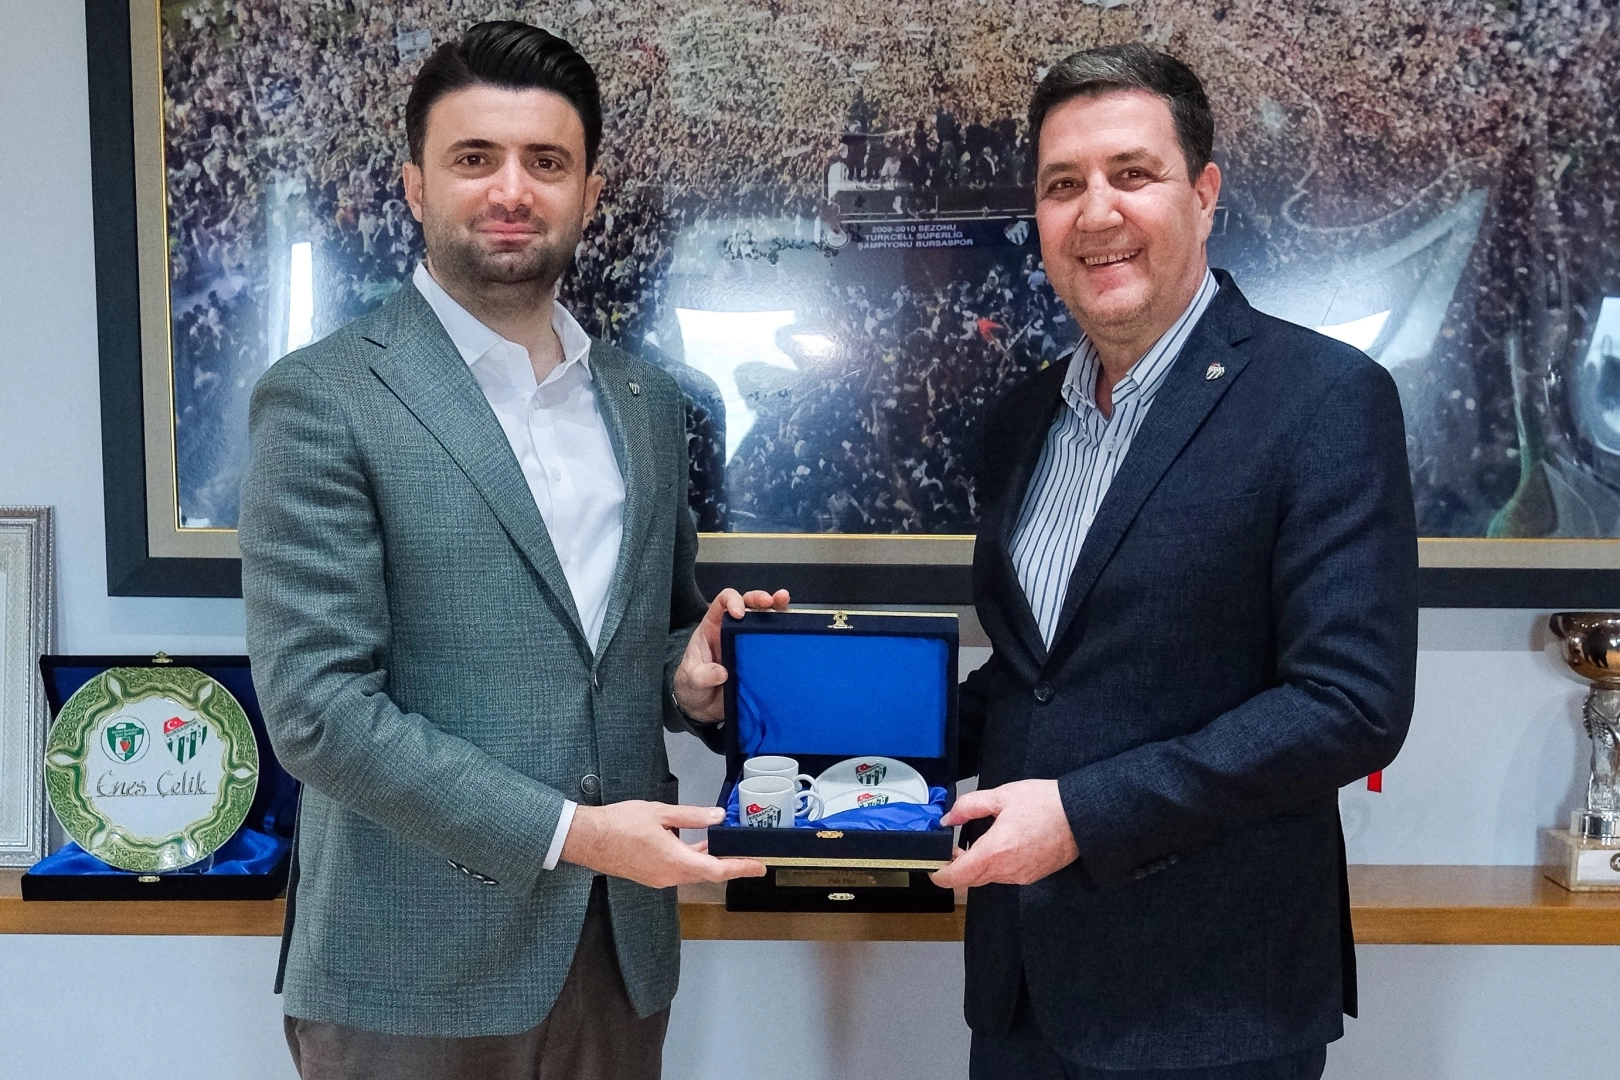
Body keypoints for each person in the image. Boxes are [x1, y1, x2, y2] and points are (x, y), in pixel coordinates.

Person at [239, 21, 779, 1080]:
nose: (511, 190)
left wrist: (689, 678)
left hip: (616, 959)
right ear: (415, 185)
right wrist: (577, 834)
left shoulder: (648, 403)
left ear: (589, 191)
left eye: (546, 162)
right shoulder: (322, 398)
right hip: (410, 968)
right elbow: (317, 711)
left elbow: (635, 644)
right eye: (474, 158)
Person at [930, 43, 1418, 1080]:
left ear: (1203, 195)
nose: (1095, 211)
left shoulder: (1324, 398)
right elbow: (1037, 685)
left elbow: (1349, 704)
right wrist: (778, 706)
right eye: (1063, 184)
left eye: (1132, 173)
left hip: (1214, 1005)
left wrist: (1082, 815)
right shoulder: (1021, 421)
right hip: (1020, 996)